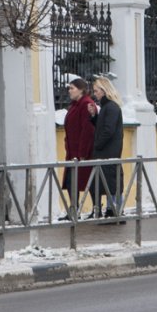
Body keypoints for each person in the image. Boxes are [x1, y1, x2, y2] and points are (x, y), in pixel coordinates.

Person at [62, 77, 99, 218]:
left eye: (72, 88)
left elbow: (88, 129)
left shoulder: (87, 104)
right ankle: (73, 210)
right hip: (72, 151)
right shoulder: (75, 105)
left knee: (89, 180)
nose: (69, 91)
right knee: (72, 182)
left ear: (81, 90)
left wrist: (82, 152)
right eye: (69, 88)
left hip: (83, 152)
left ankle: (96, 209)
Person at [90, 75, 124, 218]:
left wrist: (97, 144)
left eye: (97, 90)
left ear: (104, 90)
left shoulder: (111, 107)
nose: (95, 94)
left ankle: (115, 210)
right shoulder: (106, 107)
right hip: (107, 151)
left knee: (112, 182)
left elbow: (108, 130)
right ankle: (111, 209)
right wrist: (94, 116)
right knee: (108, 181)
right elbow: (102, 126)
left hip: (109, 151)